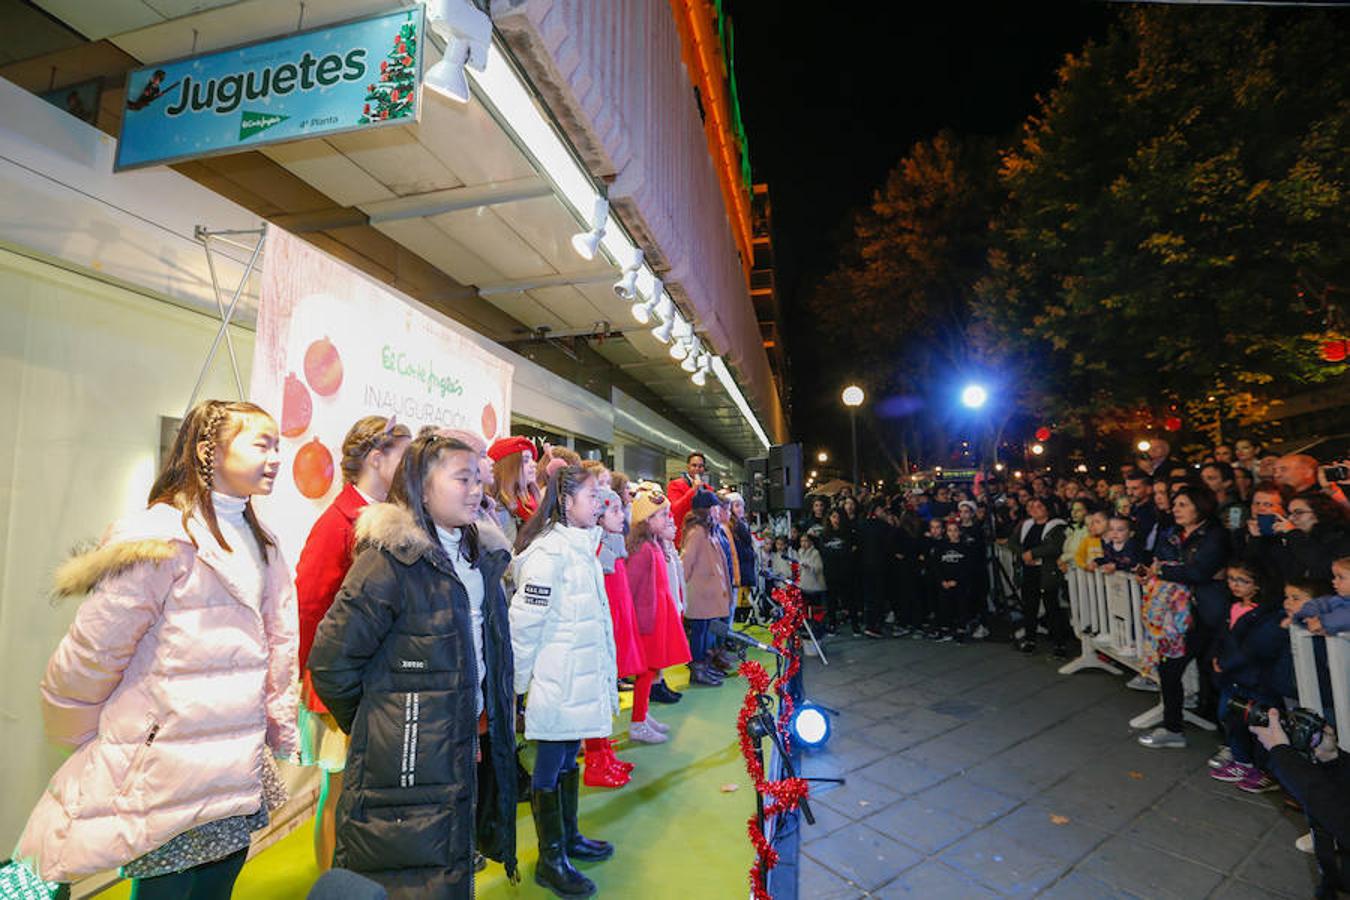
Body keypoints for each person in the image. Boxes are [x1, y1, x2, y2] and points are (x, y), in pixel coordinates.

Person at [13, 400, 297, 895]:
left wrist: (278, 727)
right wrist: (87, 735)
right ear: (209, 452)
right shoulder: (158, 539)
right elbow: (93, 650)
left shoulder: (263, 542)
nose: (275, 457)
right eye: (261, 444)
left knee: (215, 890)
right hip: (167, 773)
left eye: (278, 446)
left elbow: (278, 646)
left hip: (233, 770)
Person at [307, 434, 519, 897]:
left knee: (448, 862)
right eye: (461, 478)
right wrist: (385, 723)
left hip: (466, 742)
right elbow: (331, 663)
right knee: (408, 873)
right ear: (422, 487)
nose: (475, 489)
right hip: (406, 757)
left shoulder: (481, 558)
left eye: (477, 478)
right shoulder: (387, 562)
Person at [294, 415, 411, 871]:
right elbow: (308, 606)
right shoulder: (338, 521)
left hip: (373, 680)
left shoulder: (385, 517)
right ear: (376, 458)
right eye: (401, 455)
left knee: (363, 788)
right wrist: (321, 677)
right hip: (338, 684)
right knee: (340, 788)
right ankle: (330, 882)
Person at [509, 465, 616, 898]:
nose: (600, 504)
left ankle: (568, 840)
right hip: (557, 683)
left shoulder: (579, 546)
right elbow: (524, 626)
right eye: (592, 496)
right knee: (550, 767)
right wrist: (516, 689)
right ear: (566, 500)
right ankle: (550, 860)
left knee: (569, 758)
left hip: (576, 679)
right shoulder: (548, 553)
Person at [1139, 485, 1228, 749]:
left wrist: (1165, 571)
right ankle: (1173, 727)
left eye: (1183, 505)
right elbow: (1161, 561)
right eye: (1175, 505)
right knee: (1169, 668)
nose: (1175, 509)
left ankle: (1228, 740)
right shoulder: (1173, 533)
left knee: (1213, 672)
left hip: (1206, 612)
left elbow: (1199, 572)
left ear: (1200, 506)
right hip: (1175, 616)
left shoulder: (1215, 535)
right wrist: (1163, 570)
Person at [1208, 560, 1293, 793]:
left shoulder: (1265, 615)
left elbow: (1252, 650)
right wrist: (1216, 656)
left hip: (1252, 679)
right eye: (1231, 579)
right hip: (1231, 676)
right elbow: (1222, 637)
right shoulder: (1233, 607)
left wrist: (1226, 662)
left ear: (1257, 585)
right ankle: (1241, 762)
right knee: (1230, 717)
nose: (1234, 585)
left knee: (1258, 725)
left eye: (1242, 581)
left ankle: (1263, 770)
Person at [585, 488, 646, 784]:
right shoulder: (597, 550)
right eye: (615, 511)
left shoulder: (613, 547)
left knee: (607, 691)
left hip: (615, 625)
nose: (622, 516)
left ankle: (605, 753)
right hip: (603, 629)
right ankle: (595, 760)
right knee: (598, 694)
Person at [625, 486, 693, 732]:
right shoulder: (643, 550)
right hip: (647, 621)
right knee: (646, 670)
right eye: (661, 514)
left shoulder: (655, 545)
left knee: (651, 670)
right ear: (647, 519)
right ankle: (638, 721)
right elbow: (630, 589)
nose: (667, 518)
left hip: (658, 616)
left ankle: (641, 715)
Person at [681, 491, 733, 687]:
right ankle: (697, 669)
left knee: (704, 632)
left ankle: (704, 665)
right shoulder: (697, 533)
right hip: (700, 595)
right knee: (699, 633)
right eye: (715, 506)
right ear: (707, 509)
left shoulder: (709, 531)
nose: (718, 510)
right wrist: (681, 590)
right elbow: (686, 562)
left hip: (708, 594)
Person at [1009, 498, 1069, 655]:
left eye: (1039, 506)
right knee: (1029, 606)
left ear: (1047, 509)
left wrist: (1034, 553)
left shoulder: (1057, 526)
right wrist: (1024, 555)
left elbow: (1055, 546)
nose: (1034, 509)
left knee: (1051, 606)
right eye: (1031, 506)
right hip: (1029, 570)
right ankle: (1030, 639)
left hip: (1046, 571)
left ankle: (1059, 643)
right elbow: (1013, 542)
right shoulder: (1025, 525)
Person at [489, 436, 540, 544]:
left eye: (532, 459)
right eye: (526, 460)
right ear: (507, 467)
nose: (534, 464)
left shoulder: (528, 502)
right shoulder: (497, 509)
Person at [937, 519, 982, 641]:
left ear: (959, 532)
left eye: (955, 530)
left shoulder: (965, 548)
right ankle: (946, 629)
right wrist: (942, 580)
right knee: (945, 606)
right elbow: (937, 565)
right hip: (945, 582)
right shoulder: (941, 547)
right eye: (950, 531)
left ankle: (961, 630)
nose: (952, 533)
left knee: (961, 606)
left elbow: (967, 567)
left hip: (960, 583)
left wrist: (956, 580)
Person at [797, 531, 827, 623]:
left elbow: (819, 568)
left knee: (815, 608)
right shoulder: (800, 551)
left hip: (815, 585)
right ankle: (807, 623)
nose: (803, 543)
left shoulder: (815, 553)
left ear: (810, 542)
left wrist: (809, 566)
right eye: (802, 541)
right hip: (803, 584)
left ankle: (817, 624)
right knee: (805, 607)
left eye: (806, 541)